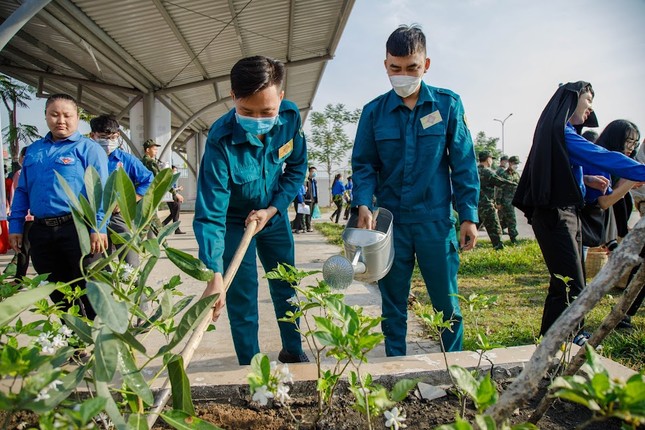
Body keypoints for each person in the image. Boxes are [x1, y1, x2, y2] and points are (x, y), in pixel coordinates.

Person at [351, 25, 479, 355]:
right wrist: (363, 203)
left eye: (412, 68)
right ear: (386, 65)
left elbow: (463, 163)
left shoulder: (448, 105)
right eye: (396, 68)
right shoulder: (374, 112)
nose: (403, 75)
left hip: (435, 221)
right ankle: (396, 367)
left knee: (446, 303)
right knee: (393, 304)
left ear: (427, 65)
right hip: (389, 223)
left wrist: (469, 216)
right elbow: (364, 164)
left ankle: (456, 368)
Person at [194, 55, 309, 365]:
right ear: (233, 97)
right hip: (234, 222)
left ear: (281, 98)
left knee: (286, 284)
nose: (258, 118)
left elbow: (297, 168)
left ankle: (294, 350)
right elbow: (211, 213)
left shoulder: (289, 119)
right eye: (247, 111)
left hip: (273, 216)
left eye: (267, 111)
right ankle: (252, 365)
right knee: (241, 295)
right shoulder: (220, 139)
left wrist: (273, 209)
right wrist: (213, 274)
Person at [512, 82, 645, 343]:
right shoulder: (562, 134)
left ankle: (551, 336)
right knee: (572, 280)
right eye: (588, 101)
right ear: (572, 102)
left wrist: (589, 182)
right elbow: (603, 156)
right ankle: (571, 335)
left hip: (566, 214)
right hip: (555, 215)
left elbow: (574, 181)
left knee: (563, 280)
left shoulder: (559, 136)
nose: (590, 109)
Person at [8, 93, 109, 319]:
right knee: (56, 291)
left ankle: (100, 340)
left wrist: (98, 227)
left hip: (78, 229)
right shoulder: (34, 150)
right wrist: (15, 226)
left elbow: (100, 191)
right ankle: (75, 342)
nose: (60, 120)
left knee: (90, 288)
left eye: (67, 115)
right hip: (42, 232)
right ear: (45, 116)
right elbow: (23, 190)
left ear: (77, 118)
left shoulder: (89, 149)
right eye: (54, 114)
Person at [590, 120, 644, 330]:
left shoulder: (619, 164)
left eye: (635, 142)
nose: (631, 146)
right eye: (628, 140)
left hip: (604, 230)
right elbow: (605, 202)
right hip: (587, 226)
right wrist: (631, 179)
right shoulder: (600, 160)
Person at [89, 114, 154, 266]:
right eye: (104, 137)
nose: (109, 142)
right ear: (93, 136)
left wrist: (130, 201)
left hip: (119, 216)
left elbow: (149, 179)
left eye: (113, 137)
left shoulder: (127, 160)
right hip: (93, 219)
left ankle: (135, 285)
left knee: (130, 259)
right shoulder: (87, 158)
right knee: (98, 262)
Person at [141, 139, 184, 235]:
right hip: (149, 197)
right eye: (154, 149)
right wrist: (175, 193)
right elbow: (162, 179)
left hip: (142, 196)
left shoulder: (141, 161)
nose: (156, 151)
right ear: (147, 150)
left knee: (146, 224)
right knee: (154, 227)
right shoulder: (151, 162)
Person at [478, 151, 516, 250]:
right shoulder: (487, 171)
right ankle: (499, 247)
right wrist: (516, 185)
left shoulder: (474, 170)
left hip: (476, 205)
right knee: (495, 228)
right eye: (491, 159)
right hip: (487, 205)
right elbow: (500, 182)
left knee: (474, 226)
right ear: (487, 159)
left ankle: (463, 245)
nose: (492, 161)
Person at [498, 155, 521, 244]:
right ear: (510, 163)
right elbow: (499, 189)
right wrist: (498, 202)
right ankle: (513, 238)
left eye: (517, 164)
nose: (516, 165)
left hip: (514, 200)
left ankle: (499, 232)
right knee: (512, 219)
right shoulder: (504, 174)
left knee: (504, 221)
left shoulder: (516, 174)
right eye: (515, 163)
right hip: (506, 201)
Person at [162, 165, 186, 234]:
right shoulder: (169, 178)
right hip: (172, 197)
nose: (175, 172)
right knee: (175, 213)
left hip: (174, 196)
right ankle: (166, 226)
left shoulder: (174, 179)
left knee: (174, 213)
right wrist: (178, 189)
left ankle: (164, 225)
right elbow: (169, 188)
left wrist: (178, 188)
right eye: (174, 170)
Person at [303, 166, 318, 232]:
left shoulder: (314, 181)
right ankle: (308, 227)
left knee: (310, 214)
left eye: (315, 171)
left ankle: (307, 226)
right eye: (312, 171)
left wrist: (316, 200)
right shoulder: (306, 181)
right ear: (309, 172)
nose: (314, 173)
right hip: (308, 199)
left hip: (313, 199)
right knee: (307, 214)